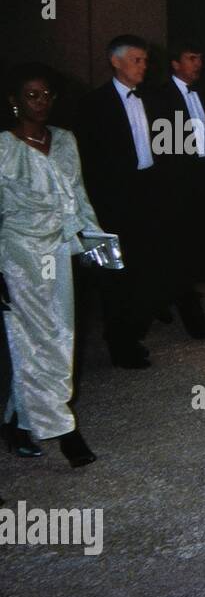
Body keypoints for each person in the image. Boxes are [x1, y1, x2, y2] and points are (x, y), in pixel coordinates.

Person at [0, 64, 100, 466]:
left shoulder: (65, 141)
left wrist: (94, 242)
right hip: (17, 255)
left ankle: (20, 424)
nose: (40, 103)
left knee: (61, 336)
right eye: (31, 95)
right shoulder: (4, 147)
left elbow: (78, 195)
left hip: (58, 251)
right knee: (35, 342)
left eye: (46, 95)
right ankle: (64, 431)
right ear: (14, 100)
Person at [75, 34, 164, 369]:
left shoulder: (153, 98)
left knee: (145, 269)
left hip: (148, 194)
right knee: (115, 274)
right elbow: (87, 162)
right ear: (116, 61)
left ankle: (132, 332)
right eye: (137, 60)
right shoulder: (92, 104)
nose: (144, 66)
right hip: (113, 202)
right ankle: (120, 343)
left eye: (145, 60)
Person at [151, 40, 205, 338]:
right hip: (176, 183)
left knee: (197, 243)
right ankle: (187, 306)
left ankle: (166, 293)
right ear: (175, 64)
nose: (198, 63)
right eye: (192, 58)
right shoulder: (160, 96)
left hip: (203, 178)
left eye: (200, 57)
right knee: (178, 246)